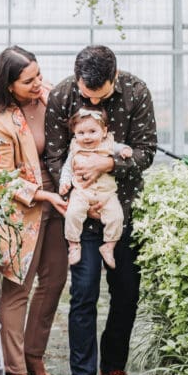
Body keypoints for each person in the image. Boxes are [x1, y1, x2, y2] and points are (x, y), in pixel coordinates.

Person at [45, 45, 157, 375]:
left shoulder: (137, 91)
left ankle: (113, 371)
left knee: (127, 292)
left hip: (122, 209)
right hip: (80, 211)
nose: (91, 99)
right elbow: (54, 156)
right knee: (84, 293)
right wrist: (79, 189)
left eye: (100, 95)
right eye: (86, 93)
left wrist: (109, 162)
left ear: (115, 76)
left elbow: (146, 152)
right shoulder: (61, 95)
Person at [0, 46, 68, 375]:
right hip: (23, 213)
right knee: (17, 290)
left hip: (58, 202)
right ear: (9, 84)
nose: (37, 84)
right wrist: (41, 195)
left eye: (39, 76)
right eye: (28, 80)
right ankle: (15, 374)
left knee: (56, 279)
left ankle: (34, 357)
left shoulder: (49, 102)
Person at [59, 107, 132, 269]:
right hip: (81, 192)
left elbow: (121, 147)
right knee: (72, 213)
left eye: (93, 131)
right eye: (81, 133)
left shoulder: (109, 144)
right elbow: (67, 168)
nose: (87, 137)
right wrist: (64, 183)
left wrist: (126, 150)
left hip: (107, 194)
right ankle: (73, 245)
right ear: (75, 134)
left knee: (117, 216)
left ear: (104, 131)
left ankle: (109, 246)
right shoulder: (75, 148)